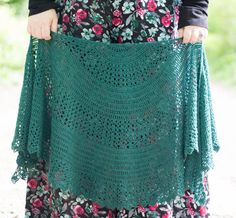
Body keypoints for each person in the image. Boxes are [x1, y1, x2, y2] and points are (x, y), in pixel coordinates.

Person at [24, 0, 212, 217]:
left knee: (156, 127)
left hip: (156, 17)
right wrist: (40, 5)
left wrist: (195, 9)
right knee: (78, 121)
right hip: (80, 17)